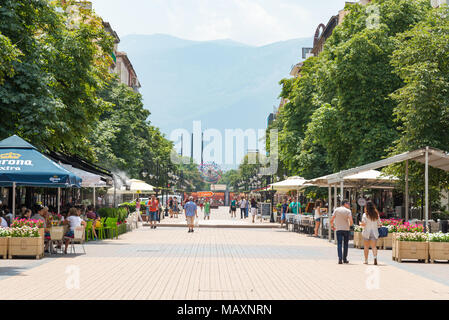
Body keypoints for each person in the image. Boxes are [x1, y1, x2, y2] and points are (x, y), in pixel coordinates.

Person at [330, 200, 353, 264]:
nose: (349, 205)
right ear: (345, 204)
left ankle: (340, 259)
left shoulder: (336, 210)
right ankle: (344, 259)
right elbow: (351, 221)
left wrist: (332, 226)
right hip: (346, 229)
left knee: (339, 244)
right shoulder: (348, 211)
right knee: (345, 244)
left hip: (338, 229)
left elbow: (332, 220)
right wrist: (350, 226)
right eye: (348, 203)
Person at [361, 201, 381, 265]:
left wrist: (360, 224)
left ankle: (366, 261)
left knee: (366, 247)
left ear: (366, 207)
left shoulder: (365, 215)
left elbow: (363, 224)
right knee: (374, 247)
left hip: (367, 232)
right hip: (374, 232)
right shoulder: (376, 214)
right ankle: (375, 258)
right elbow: (379, 224)